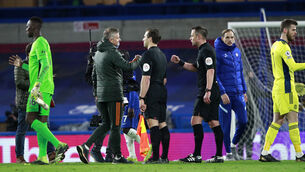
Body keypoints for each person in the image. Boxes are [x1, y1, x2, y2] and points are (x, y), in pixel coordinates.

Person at [76, 27, 142, 164]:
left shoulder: (98, 53)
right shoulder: (113, 52)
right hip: (114, 95)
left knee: (106, 124)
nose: (119, 40)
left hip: (100, 95)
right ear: (111, 39)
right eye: (118, 38)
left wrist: (96, 92)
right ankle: (117, 157)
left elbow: (93, 76)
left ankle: (85, 147)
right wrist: (137, 60)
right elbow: (128, 67)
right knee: (116, 126)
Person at [8, 16, 69, 165]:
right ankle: (42, 157)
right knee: (41, 122)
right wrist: (21, 65)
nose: (26, 29)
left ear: (34, 27)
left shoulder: (40, 42)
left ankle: (59, 144)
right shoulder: (37, 43)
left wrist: (37, 85)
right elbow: (36, 68)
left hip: (40, 88)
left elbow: (46, 65)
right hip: (44, 87)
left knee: (30, 119)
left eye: (28, 27)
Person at [171, 26, 224, 163]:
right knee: (213, 122)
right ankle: (218, 156)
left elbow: (210, 71)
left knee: (195, 121)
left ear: (199, 36)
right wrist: (180, 62)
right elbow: (195, 67)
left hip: (207, 91)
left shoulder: (206, 50)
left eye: (192, 35)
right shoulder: (203, 50)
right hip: (213, 90)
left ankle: (196, 155)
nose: (190, 38)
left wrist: (207, 91)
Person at [259, 19, 305, 162]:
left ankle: (265, 152)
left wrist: (293, 82)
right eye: (293, 30)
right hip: (285, 89)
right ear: (285, 30)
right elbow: (293, 66)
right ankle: (299, 155)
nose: (295, 33)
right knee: (293, 120)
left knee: (277, 120)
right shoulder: (284, 47)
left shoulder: (275, 45)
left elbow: (284, 70)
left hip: (278, 87)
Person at [214, 29, 248, 160]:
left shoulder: (237, 51)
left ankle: (233, 144)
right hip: (225, 96)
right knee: (226, 126)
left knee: (244, 122)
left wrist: (244, 91)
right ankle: (228, 154)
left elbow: (240, 74)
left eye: (232, 37)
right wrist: (222, 92)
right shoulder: (217, 52)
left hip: (238, 93)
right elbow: (215, 75)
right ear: (222, 38)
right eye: (227, 37)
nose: (230, 40)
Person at [139, 28, 170, 164]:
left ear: (150, 38)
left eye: (145, 36)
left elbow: (146, 79)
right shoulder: (162, 55)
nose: (143, 39)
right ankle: (164, 157)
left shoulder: (147, 55)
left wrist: (142, 98)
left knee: (153, 124)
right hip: (162, 90)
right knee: (162, 123)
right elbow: (164, 79)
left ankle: (155, 157)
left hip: (152, 91)